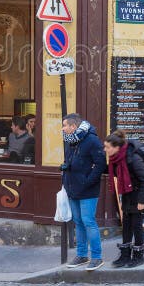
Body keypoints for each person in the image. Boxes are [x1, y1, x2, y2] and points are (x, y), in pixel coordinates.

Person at [104, 130, 144, 268]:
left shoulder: (133, 158)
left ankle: (139, 256)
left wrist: (141, 201)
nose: (105, 150)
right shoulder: (116, 158)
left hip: (140, 194)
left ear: (117, 147)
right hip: (128, 193)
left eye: (108, 147)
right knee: (127, 224)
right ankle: (125, 255)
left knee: (136, 225)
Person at [61, 113, 106, 271]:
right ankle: (81, 255)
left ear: (73, 126)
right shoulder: (70, 141)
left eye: (65, 125)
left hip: (87, 189)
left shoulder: (91, 140)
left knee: (88, 222)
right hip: (72, 187)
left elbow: (101, 164)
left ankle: (96, 257)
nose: (63, 128)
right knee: (78, 222)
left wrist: (87, 181)